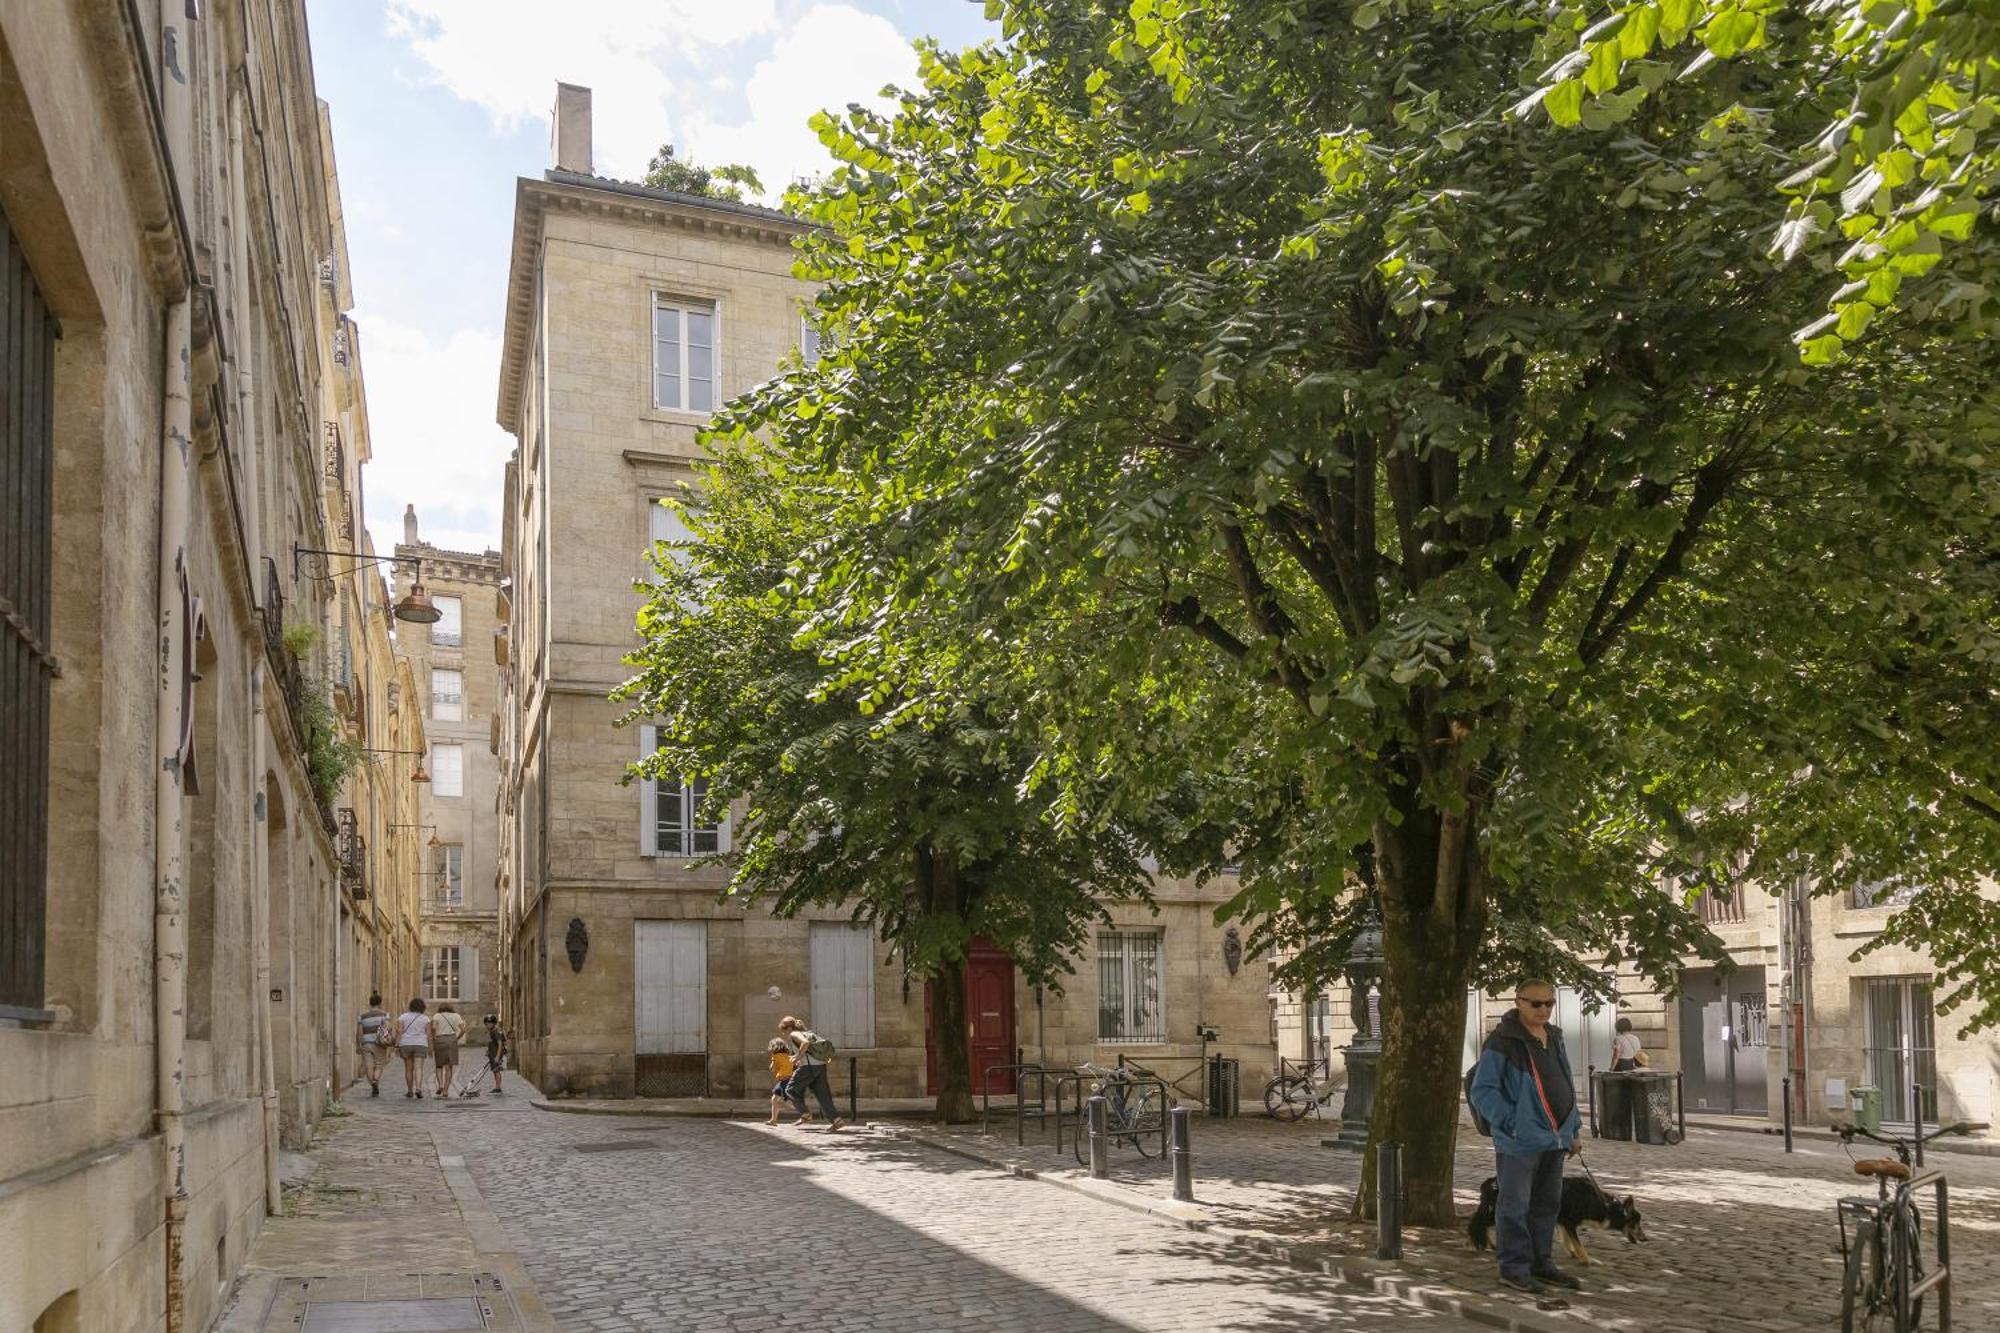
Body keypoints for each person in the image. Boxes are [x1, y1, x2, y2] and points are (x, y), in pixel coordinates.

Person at [1469, 979, 1584, 1296]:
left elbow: (1564, 1085)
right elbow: (1483, 1091)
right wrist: (1512, 1122)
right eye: (1536, 1004)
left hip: (1555, 1139)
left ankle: (1540, 1263)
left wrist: (1573, 1130)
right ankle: (1514, 1268)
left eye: (1549, 1003)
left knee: (1547, 1205)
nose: (1544, 1009)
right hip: (1519, 1142)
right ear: (1519, 1002)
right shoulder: (1503, 1041)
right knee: (1514, 1206)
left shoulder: (1555, 1036)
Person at [778, 1016, 844, 1131]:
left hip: (808, 1068)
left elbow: (805, 1043)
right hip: (820, 1067)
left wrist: (798, 1057)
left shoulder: (795, 1034)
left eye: (784, 1031)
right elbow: (807, 1048)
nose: (784, 1034)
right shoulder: (805, 1032)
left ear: (788, 1028)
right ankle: (837, 1120)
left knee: (790, 1089)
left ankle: (805, 1114)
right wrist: (798, 1057)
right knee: (823, 1095)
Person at [391, 997, 432, 1099]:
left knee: (408, 1068)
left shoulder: (402, 1017)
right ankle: (418, 1089)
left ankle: (410, 1091)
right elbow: (429, 1034)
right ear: (422, 1007)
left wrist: (396, 1045)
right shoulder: (425, 1018)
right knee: (418, 1068)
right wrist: (431, 1048)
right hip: (421, 1044)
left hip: (406, 1044)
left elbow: (399, 1032)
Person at [356, 993, 390, 1097]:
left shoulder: (362, 1016)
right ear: (380, 1003)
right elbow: (386, 1029)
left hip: (366, 1043)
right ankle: (375, 1081)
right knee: (379, 1065)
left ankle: (373, 1085)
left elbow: (359, 1032)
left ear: (370, 1003)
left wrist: (358, 1044)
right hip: (379, 1043)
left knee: (369, 1067)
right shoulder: (384, 1015)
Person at [431, 1003, 466, 1098]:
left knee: (439, 1065)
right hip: (452, 1040)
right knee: (449, 1067)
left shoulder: (437, 1015)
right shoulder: (456, 1016)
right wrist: (457, 1038)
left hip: (440, 1039)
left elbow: (433, 1027)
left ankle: (441, 1085)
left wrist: (434, 1037)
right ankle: (446, 1090)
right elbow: (463, 1030)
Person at [766, 1037, 795, 1125]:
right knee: (774, 1099)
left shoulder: (775, 1056)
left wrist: (773, 1063)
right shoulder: (788, 1056)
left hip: (785, 1080)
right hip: (787, 1080)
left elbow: (772, 1068)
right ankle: (773, 1120)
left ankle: (804, 1112)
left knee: (786, 1102)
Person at [483, 1014, 507, 1094]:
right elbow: (491, 1043)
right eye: (486, 1024)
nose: (488, 1025)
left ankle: (498, 1087)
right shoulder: (492, 1031)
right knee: (494, 1070)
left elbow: (500, 1044)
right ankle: (497, 1086)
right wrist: (488, 1051)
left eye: (489, 1024)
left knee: (496, 1070)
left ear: (494, 1023)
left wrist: (497, 1056)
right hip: (492, 1054)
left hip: (496, 1054)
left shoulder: (496, 1031)